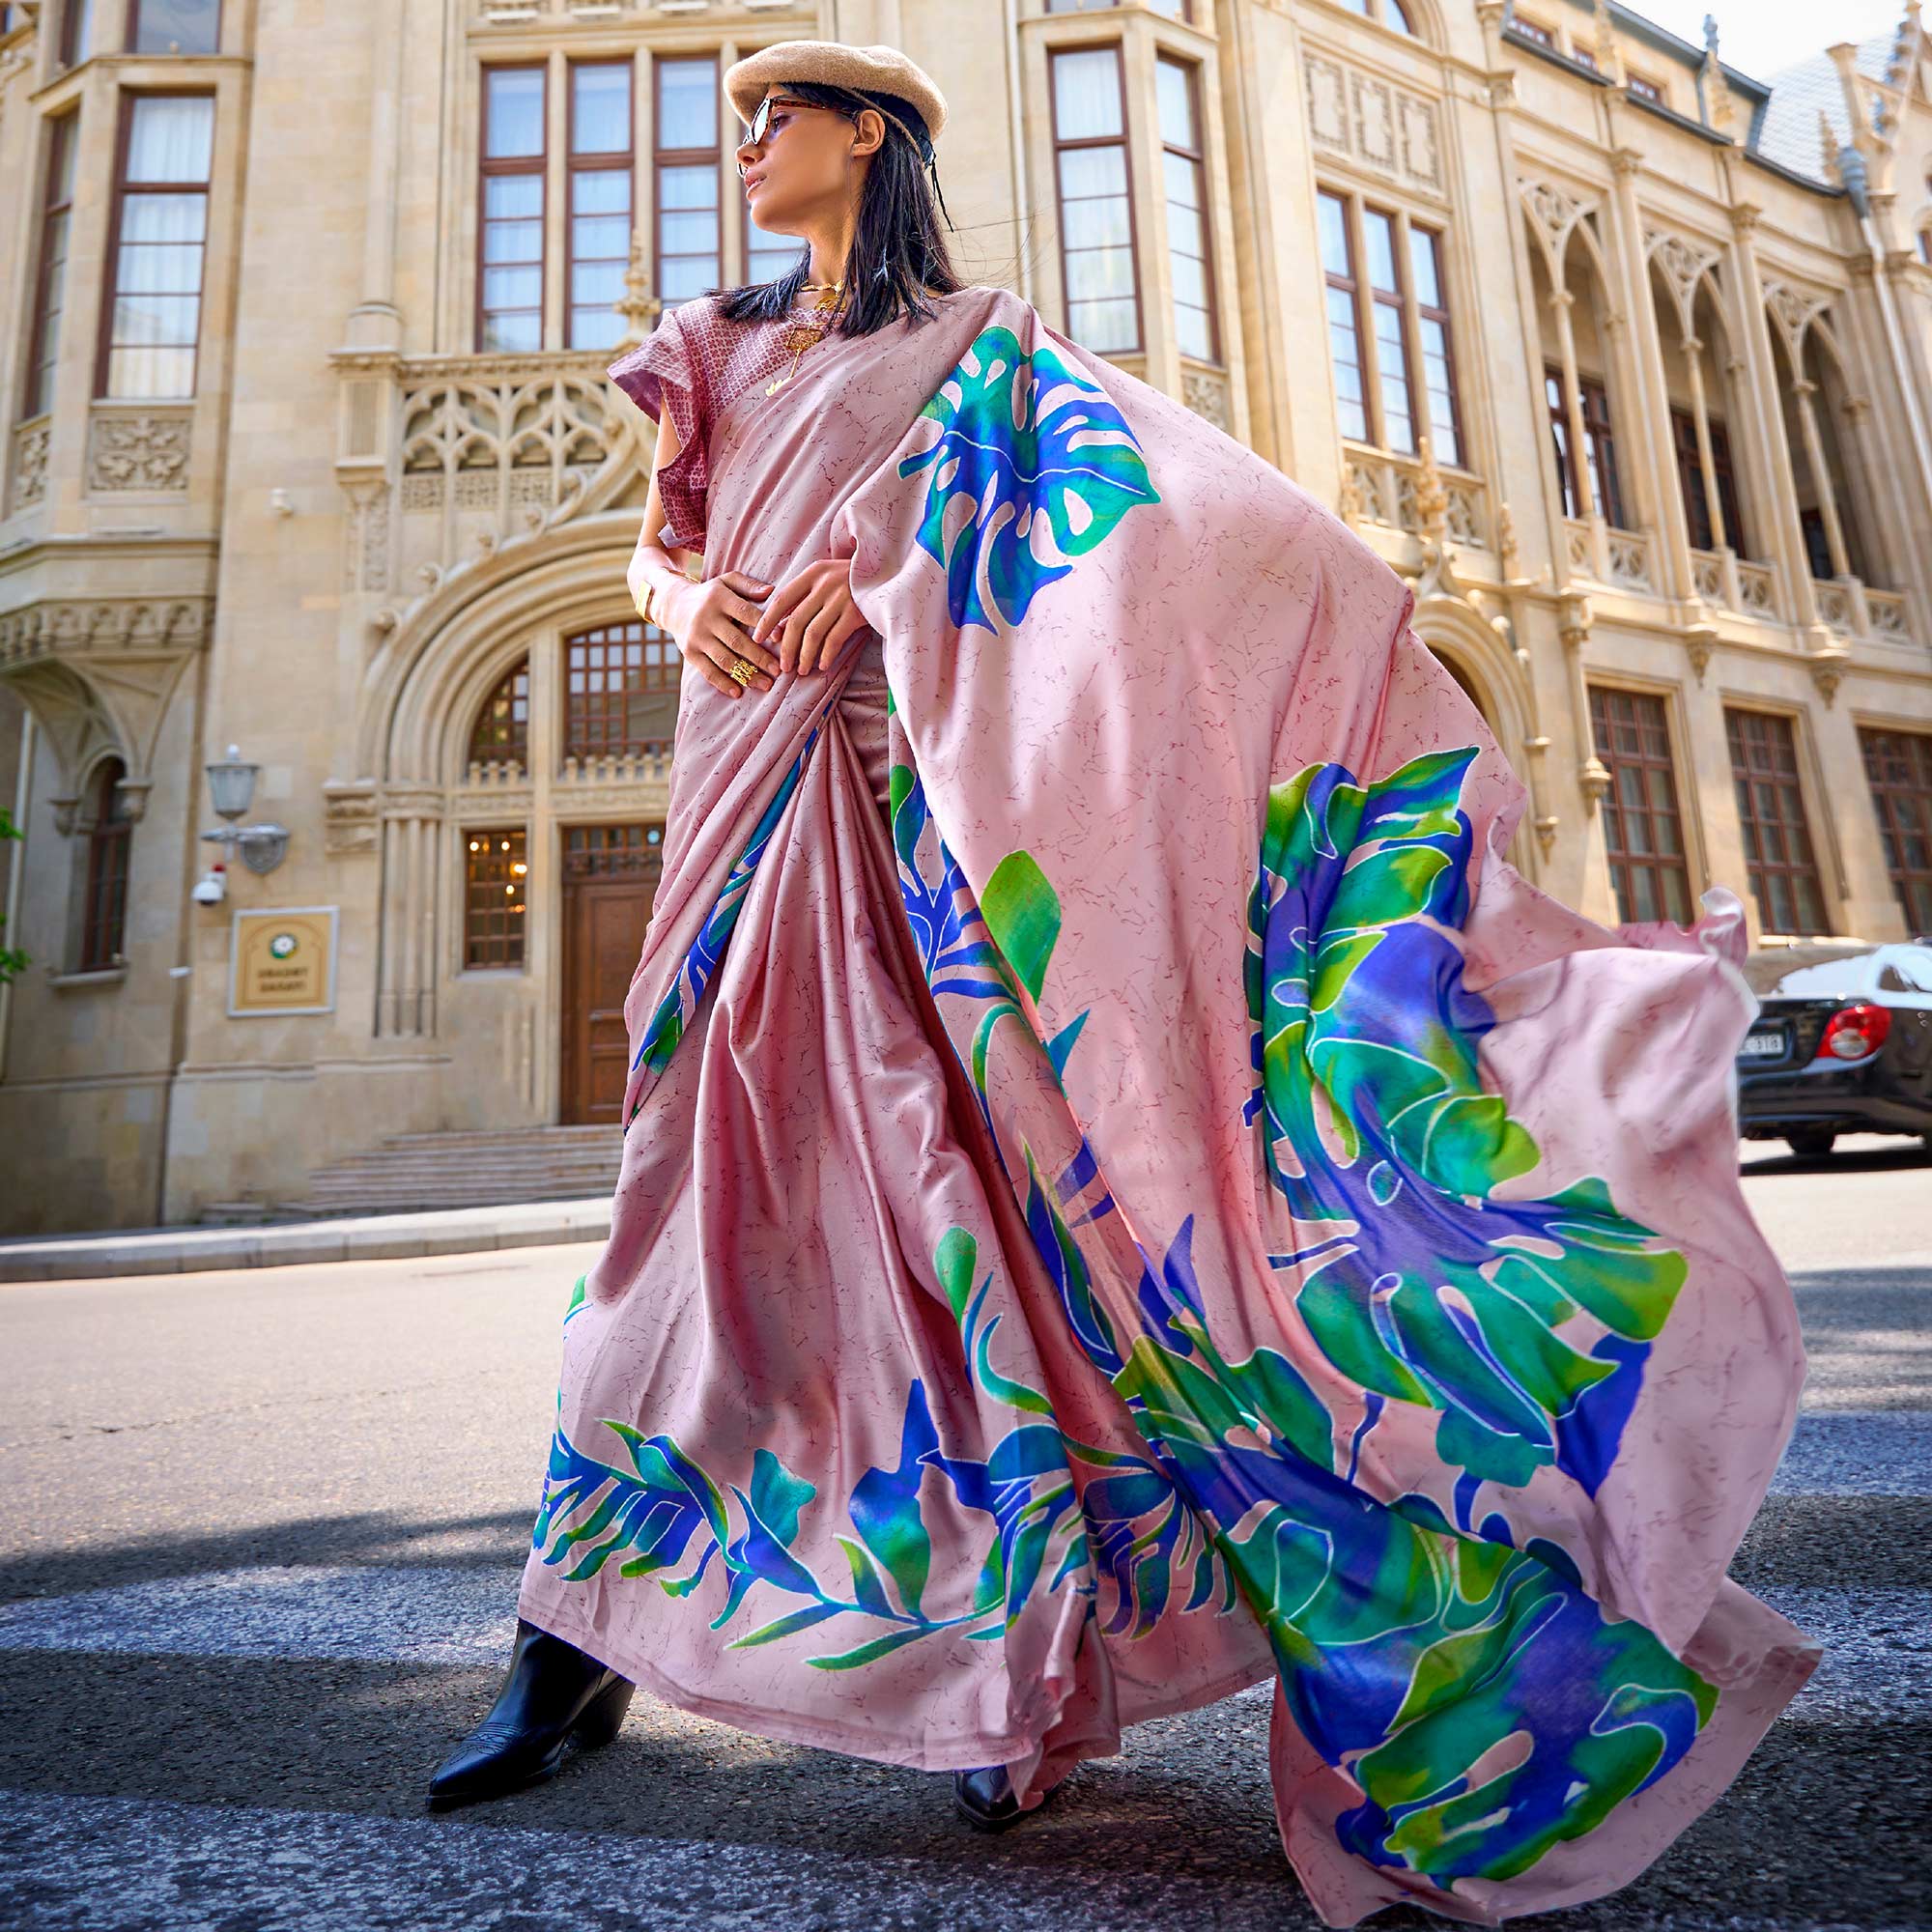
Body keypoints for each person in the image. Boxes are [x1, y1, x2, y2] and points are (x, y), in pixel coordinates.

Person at [427, 39, 1819, 1925]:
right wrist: (690, 603)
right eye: (743, 117)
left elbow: (1151, 532)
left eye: (779, 115)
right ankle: (573, 1646)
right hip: (735, 809)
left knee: (1001, 1244)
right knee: (680, 1218)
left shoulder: (983, 351)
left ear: (869, 136)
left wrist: (894, 567)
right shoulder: (717, 345)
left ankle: (999, 1660)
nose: (745, 141)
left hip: (908, 821)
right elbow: (650, 546)